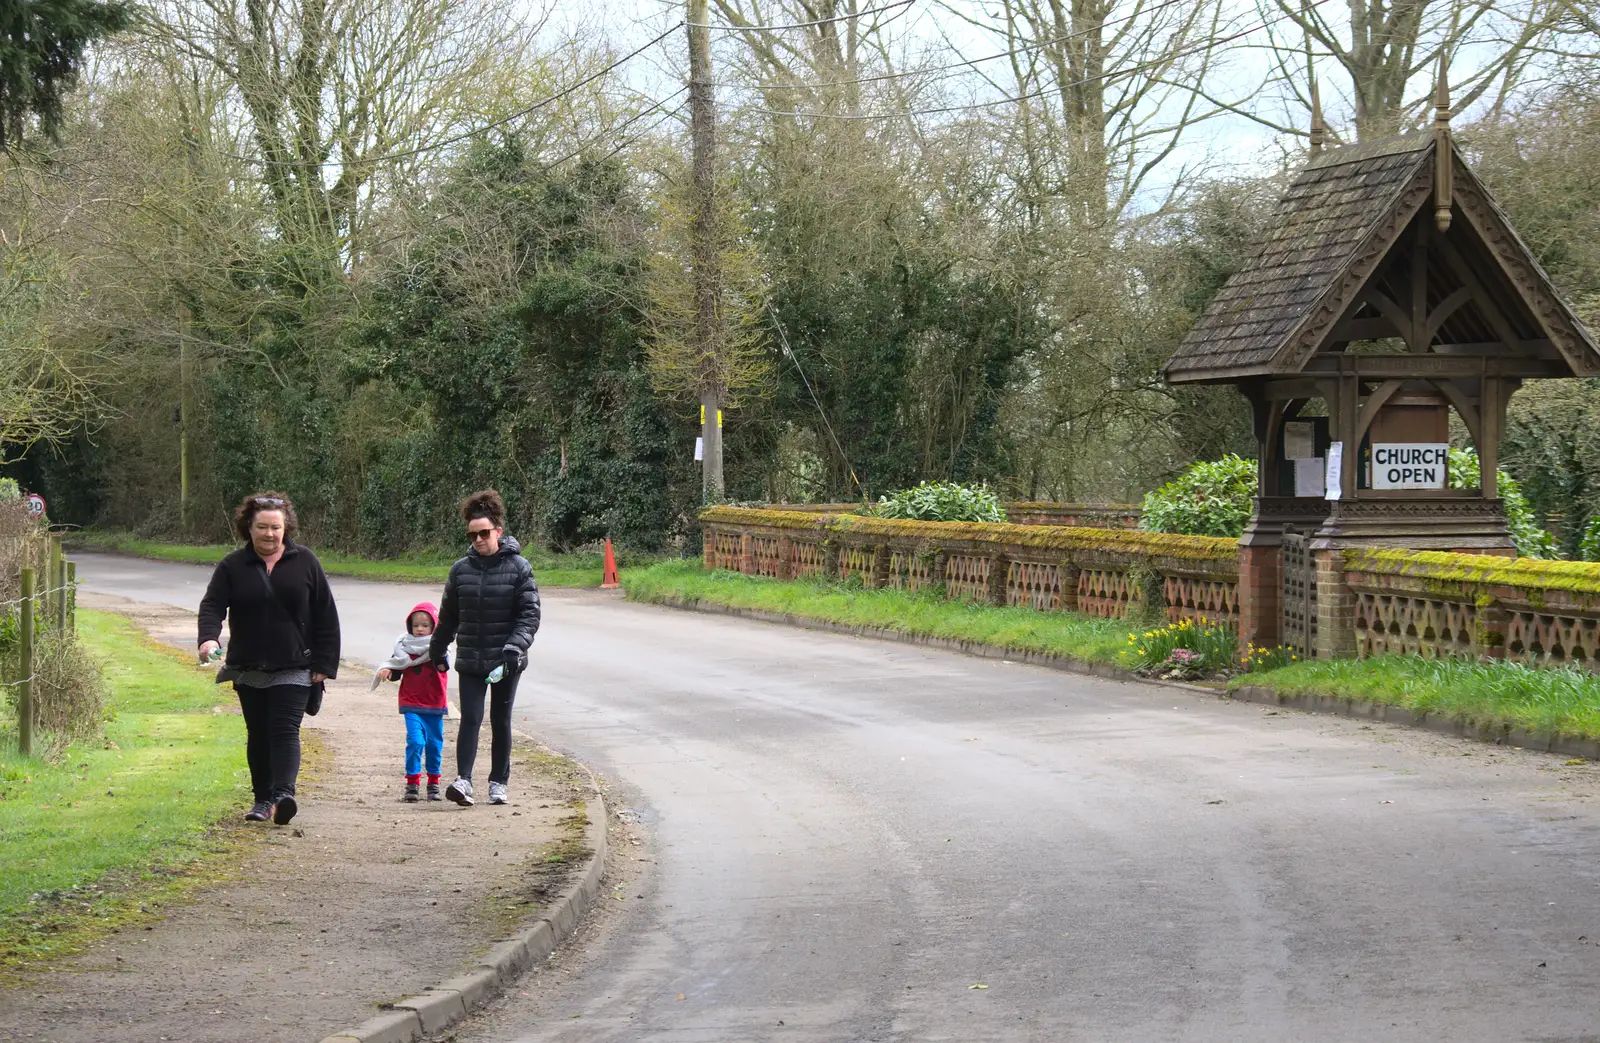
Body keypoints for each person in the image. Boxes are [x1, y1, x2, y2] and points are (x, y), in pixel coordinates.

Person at [198, 492, 340, 825]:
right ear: (248, 527)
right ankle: (261, 800)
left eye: (276, 527)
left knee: (285, 730)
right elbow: (212, 605)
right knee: (258, 734)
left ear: (286, 527)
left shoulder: (306, 561)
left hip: (295, 665)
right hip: (248, 667)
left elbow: (325, 614)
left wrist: (324, 663)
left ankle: (282, 796)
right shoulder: (233, 566)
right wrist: (208, 638)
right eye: (262, 527)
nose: (269, 534)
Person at [430, 489, 540, 807]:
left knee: (501, 719)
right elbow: (448, 617)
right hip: (472, 660)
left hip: (506, 660)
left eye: (484, 533)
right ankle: (464, 780)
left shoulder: (520, 568)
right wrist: (438, 650)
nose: (478, 539)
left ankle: (498, 783)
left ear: (498, 532)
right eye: (473, 534)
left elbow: (529, 615)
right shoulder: (460, 570)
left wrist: (514, 648)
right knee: (471, 718)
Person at [374, 602, 450, 802]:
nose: (419, 629)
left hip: (434, 703)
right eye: (415, 625)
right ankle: (412, 783)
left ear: (434, 626)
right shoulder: (403, 648)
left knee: (434, 745)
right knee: (416, 742)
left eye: (425, 625)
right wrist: (388, 671)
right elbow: (396, 668)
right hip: (412, 702)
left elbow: (443, 667)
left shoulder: (438, 647)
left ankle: (433, 782)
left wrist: (438, 651)